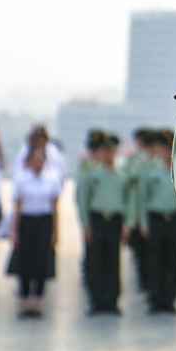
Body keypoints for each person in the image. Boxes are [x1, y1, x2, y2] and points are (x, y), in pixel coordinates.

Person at [2, 126, 66, 319]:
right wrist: (14, 230)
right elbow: (17, 205)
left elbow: (55, 205)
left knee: (41, 260)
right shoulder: (22, 175)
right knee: (25, 260)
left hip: (44, 221)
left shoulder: (52, 172)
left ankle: (37, 300)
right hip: (26, 221)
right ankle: (24, 300)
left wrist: (56, 231)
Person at [126, 128, 176, 314]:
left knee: (172, 261)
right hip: (155, 218)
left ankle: (170, 300)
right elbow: (142, 197)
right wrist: (142, 222)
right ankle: (155, 299)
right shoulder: (150, 168)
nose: (164, 152)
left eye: (167, 148)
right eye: (162, 148)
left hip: (174, 218)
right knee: (155, 260)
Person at [73, 131, 128, 316]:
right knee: (95, 260)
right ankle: (96, 301)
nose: (109, 155)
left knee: (113, 261)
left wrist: (127, 224)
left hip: (115, 220)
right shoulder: (92, 174)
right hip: (97, 219)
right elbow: (83, 201)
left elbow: (126, 201)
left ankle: (112, 301)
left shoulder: (121, 175)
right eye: (105, 151)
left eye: (112, 152)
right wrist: (85, 224)